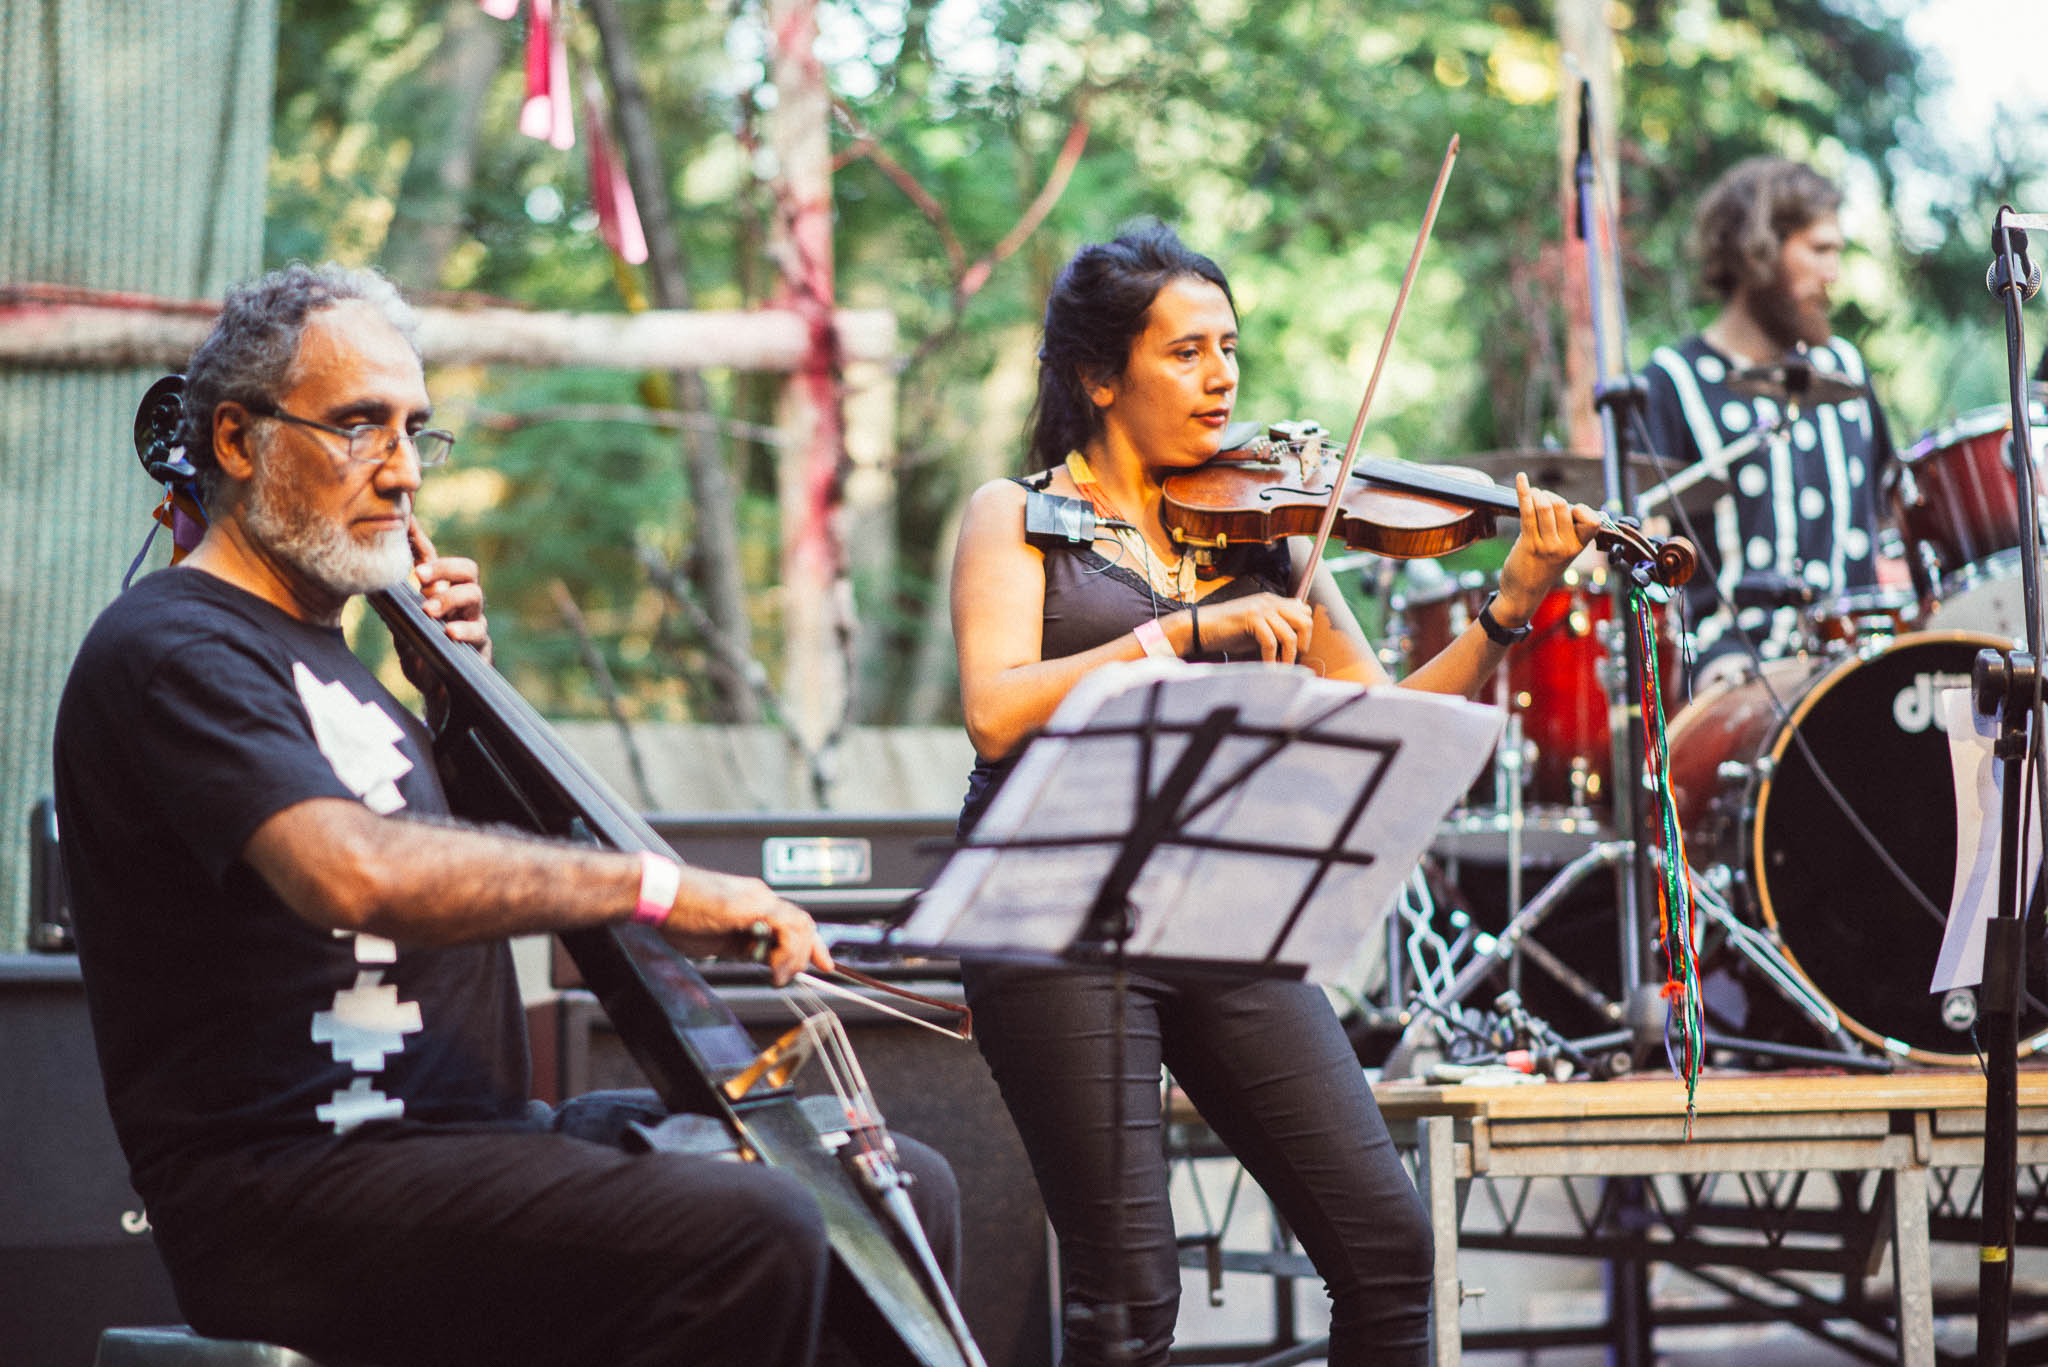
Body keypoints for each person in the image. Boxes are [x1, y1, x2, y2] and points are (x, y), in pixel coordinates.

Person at [53, 263, 957, 1367]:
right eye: (356, 427)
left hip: (466, 1145)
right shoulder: (173, 649)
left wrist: (456, 698)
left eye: (414, 431)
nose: (399, 473)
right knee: (751, 1227)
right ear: (237, 443)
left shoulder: (349, 671)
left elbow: (468, 854)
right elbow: (354, 874)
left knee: (884, 1182)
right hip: (296, 1184)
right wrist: (658, 885)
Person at [946, 223, 1602, 1366]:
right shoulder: (1017, 516)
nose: (1222, 376)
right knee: (1126, 1303)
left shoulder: (1265, 525)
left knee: (1390, 1252)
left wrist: (1508, 604)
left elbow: (1384, 714)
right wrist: (1178, 633)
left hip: (1221, 908)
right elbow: (995, 708)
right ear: (1101, 376)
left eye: (1229, 348)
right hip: (1054, 911)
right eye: (1186, 351)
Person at [1639, 156, 1900, 678]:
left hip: (1858, 667)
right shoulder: (1673, 381)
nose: (1834, 273)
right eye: (1820, 249)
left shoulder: (1843, 369)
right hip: (1727, 673)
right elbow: (1643, 565)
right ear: (1756, 251)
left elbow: (1894, 513)